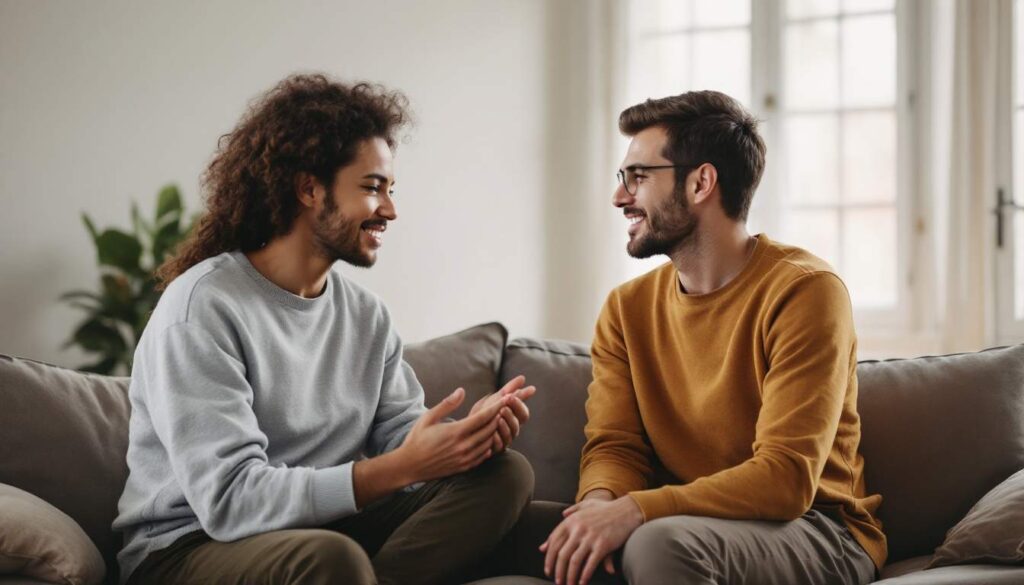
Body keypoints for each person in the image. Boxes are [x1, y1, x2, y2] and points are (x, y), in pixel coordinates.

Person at [112, 73, 535, 585]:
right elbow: (229, 501)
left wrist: (462, 440)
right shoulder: (203, 307)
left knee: (506, 475)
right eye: (373, 188)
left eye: (391, 189)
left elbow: (402, 436)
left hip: (327, 530)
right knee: (330, 560)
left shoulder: (365, 315)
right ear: (309, 188)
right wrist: (403, 468)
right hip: (187, 548)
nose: (390, 210)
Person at [539, 90, 886, 585]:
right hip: (676, 525)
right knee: (524, 533)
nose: (620, 196)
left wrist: (637, 511)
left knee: (658, 544)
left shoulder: (805, 291)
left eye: (638, 177)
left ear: (701, 182)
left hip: (818, 530)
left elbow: (785, 480)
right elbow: (615, 448)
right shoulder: (625, 309)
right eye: (623, 178)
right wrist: (597, 512)